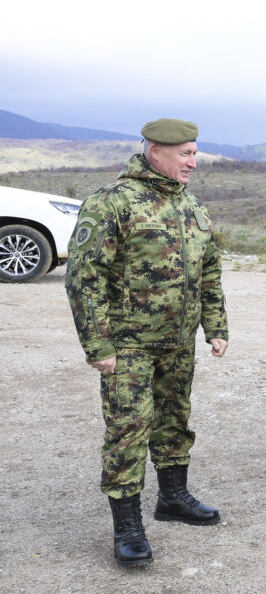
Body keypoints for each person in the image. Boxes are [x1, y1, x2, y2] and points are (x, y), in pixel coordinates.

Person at [65, 118, 229, 567]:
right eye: (185, 154)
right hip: (129, 345)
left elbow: (209, 270)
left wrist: (215, 326)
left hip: (178, 342)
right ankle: (128, 528)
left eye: (195, 153)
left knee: (174, 419)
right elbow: (84, 278)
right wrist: (98, 345)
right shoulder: (112, 202)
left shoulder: (191, 205)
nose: (193, 162)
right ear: (156, 152)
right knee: (129, 430)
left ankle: (173, 498)